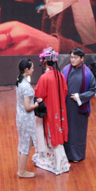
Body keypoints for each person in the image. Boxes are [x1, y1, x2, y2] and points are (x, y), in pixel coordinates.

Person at [32, 47, 70, 175]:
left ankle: (59, 163)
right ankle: (59, 161)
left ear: (44, 61)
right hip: (59, 108)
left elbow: (39, 94)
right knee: (57, 132)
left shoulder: (45, 77)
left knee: (50, 134)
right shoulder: (60, 75)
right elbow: (65, 91)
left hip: (49, 109)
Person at [62, 48, 96, 163]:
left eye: (75, 58)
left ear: (82, 58)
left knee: (78, 132)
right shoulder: (65, 69)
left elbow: (93, 90)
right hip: (66, 106)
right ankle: (65, 154)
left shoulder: (88, 74)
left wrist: (79, 97)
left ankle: (77, 155)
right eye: (71, 57)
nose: (72, 60)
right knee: (66, 130)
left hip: (79, 109)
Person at [15, 58, 41, 178]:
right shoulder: (26, 87)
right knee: (26, 145)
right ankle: (22, 172)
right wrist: (36, 104)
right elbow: (27, 107)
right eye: (32, 68)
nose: (33, 70)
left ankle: (20, 169)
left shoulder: (19, 81)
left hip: (20, 117)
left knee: (22, 144)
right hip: (27, 120)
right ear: (26, 69)